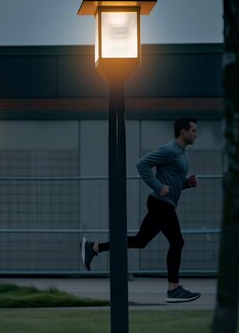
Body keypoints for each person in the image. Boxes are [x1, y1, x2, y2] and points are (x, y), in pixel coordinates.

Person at [80, 117, 201, 303]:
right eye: (193, 130)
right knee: (177, 242)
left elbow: (172, 182)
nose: (196, 134)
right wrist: (158, 185)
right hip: (161, 203)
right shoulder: (170, 149)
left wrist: (185, 184)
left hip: (162, 203)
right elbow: (142, 164)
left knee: (139, 241)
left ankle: (93, 248)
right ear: (183, 131)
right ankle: (173, 288)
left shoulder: (181, 153)